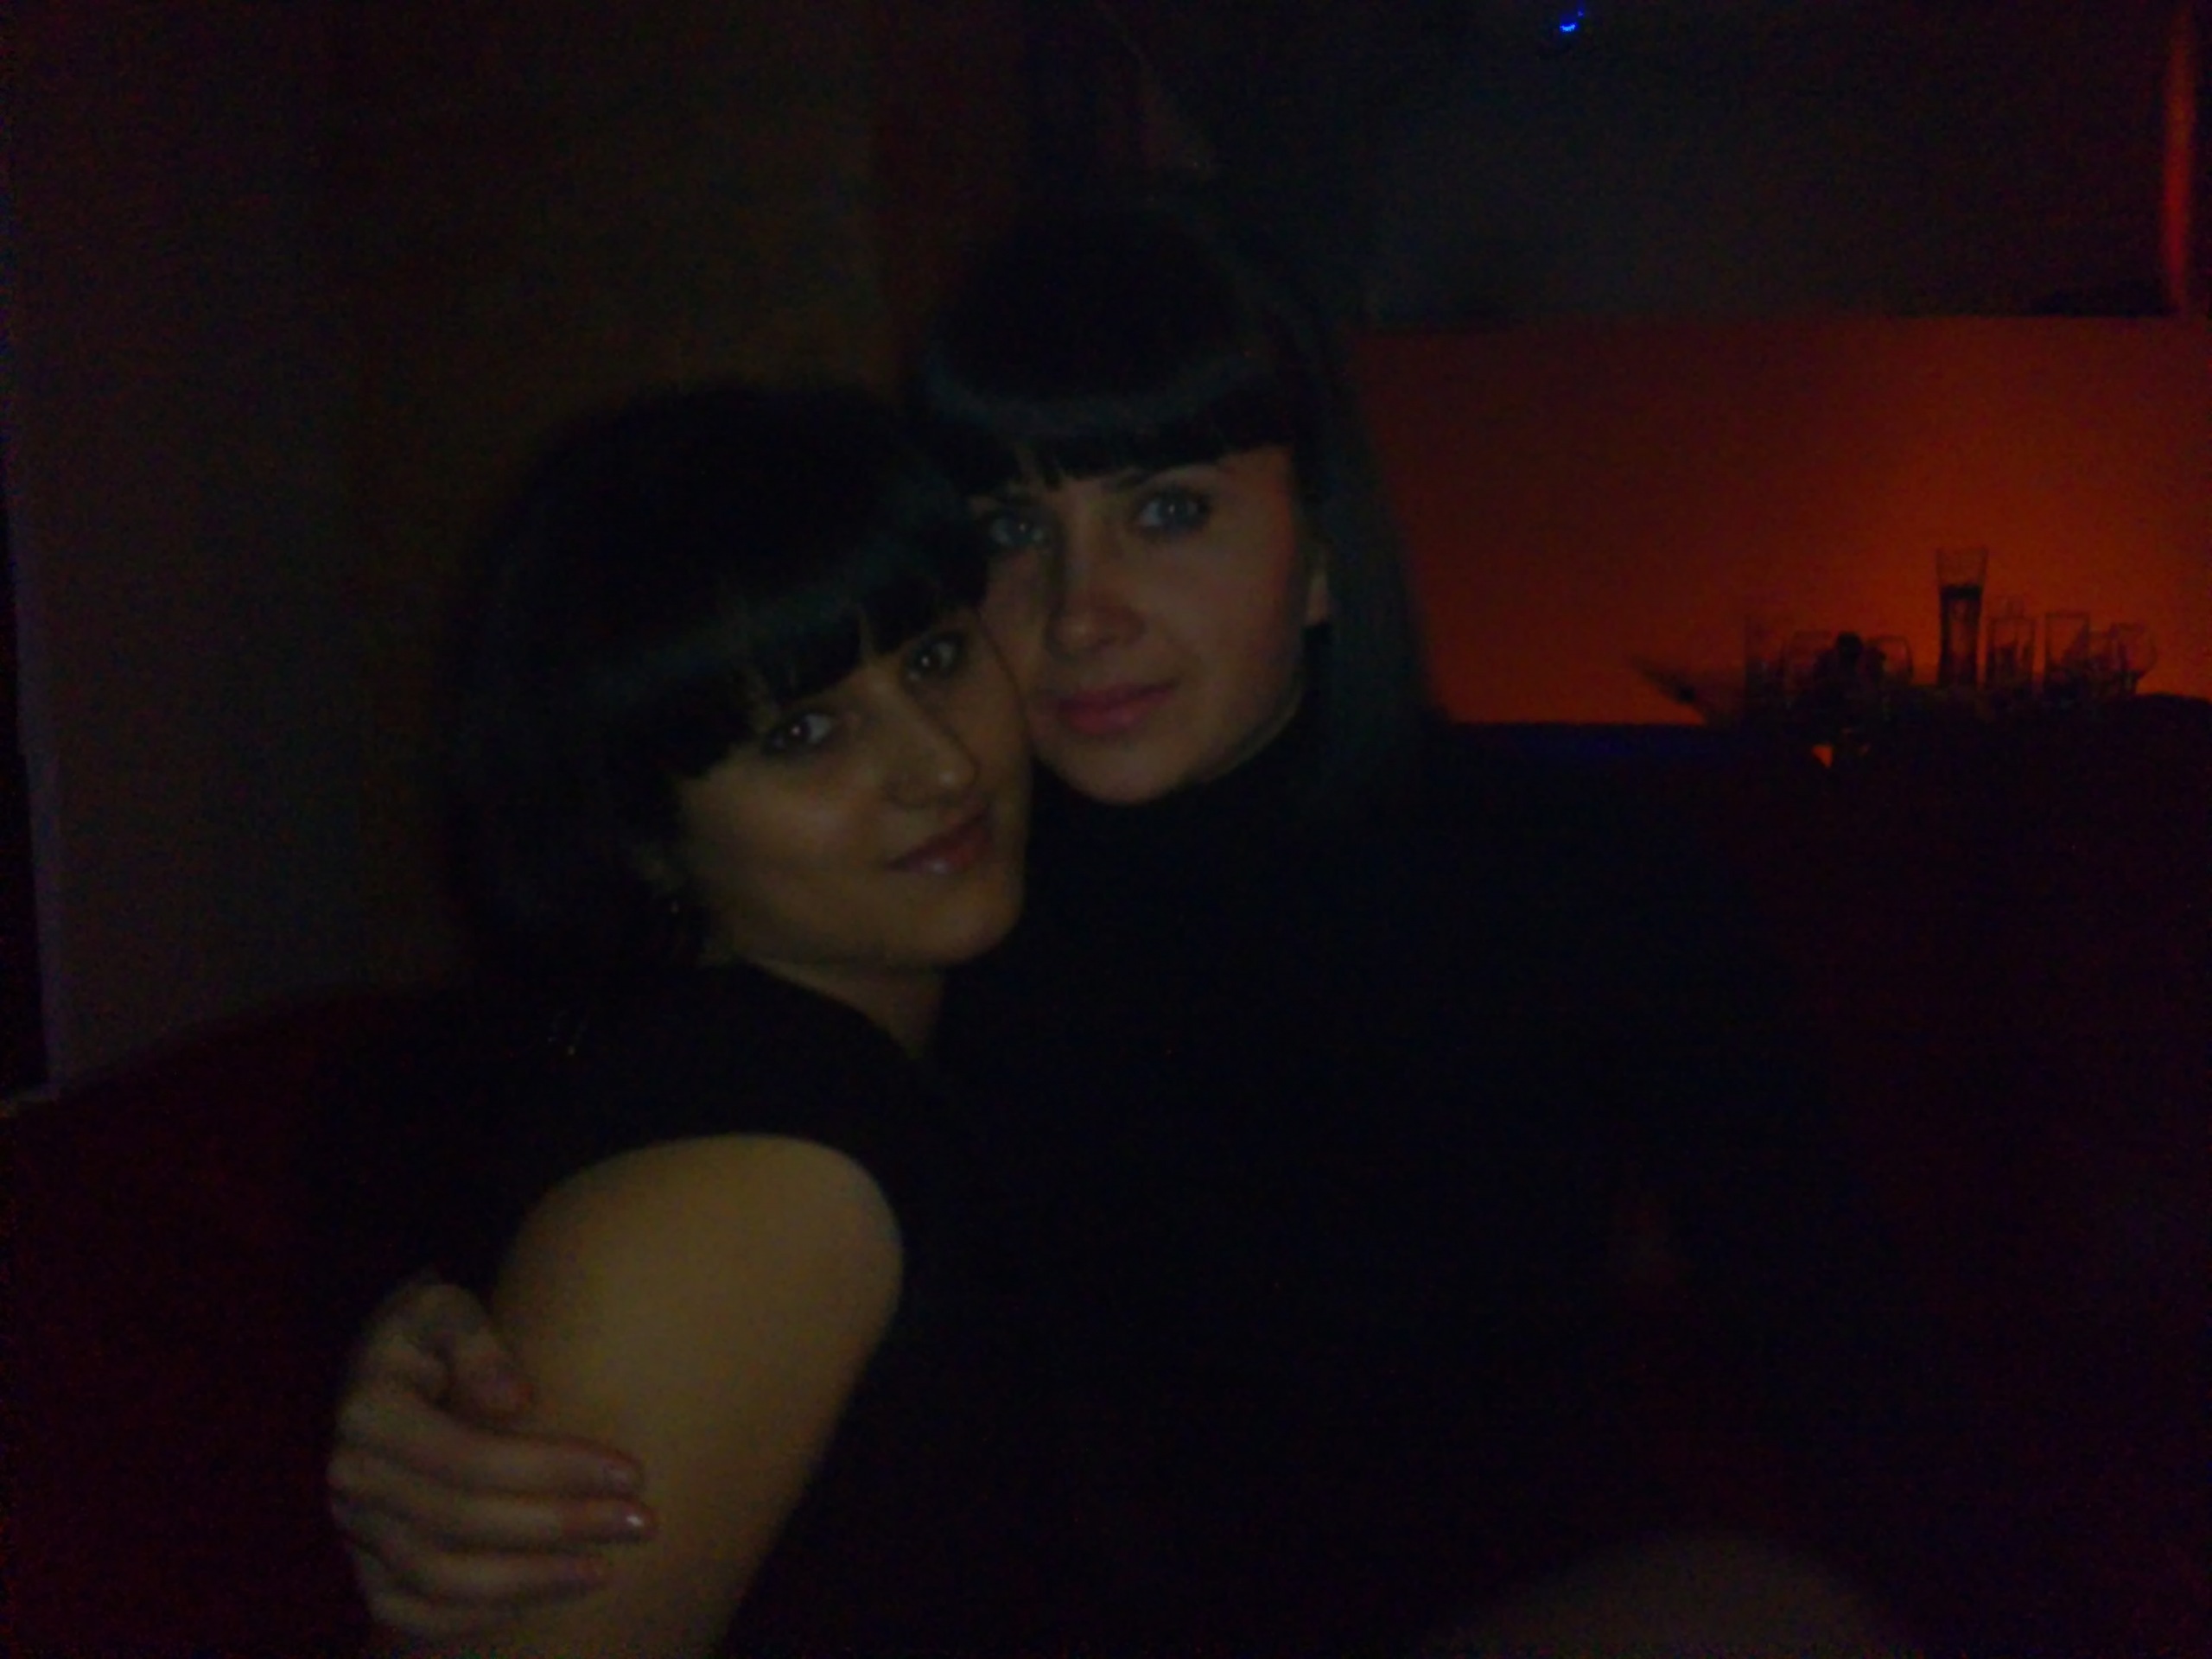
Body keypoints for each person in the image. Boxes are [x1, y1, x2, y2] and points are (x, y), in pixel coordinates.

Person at [329, 196, 1918, 1653]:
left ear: (1318, 552)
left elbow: (1847, 1351)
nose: (1081, 611)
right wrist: (418, 1337)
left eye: (1167, 511)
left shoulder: (1579, 876)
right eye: (1013, 527)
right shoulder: (951, 881)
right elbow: (513, 1060)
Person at [323, 379, 1077, 1656]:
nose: (940, 766)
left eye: (937, 660)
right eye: (806, 733)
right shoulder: (761, 1159)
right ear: (646, 838)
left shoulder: (951, 1005)